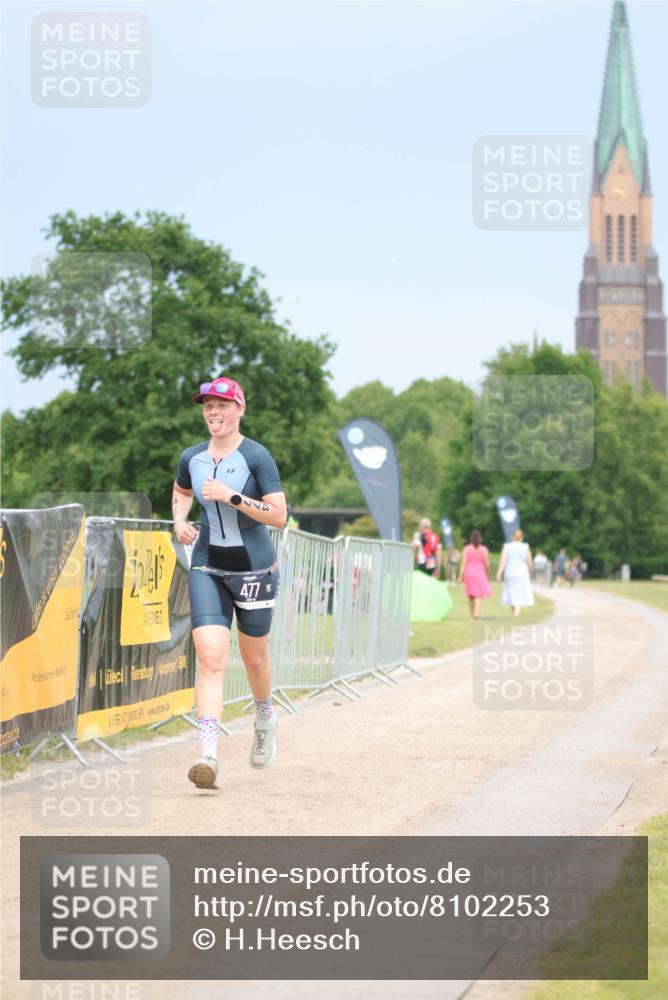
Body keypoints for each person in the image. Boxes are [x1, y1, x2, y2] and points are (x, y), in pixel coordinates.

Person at [172, 376, 288, 790]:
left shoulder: (258, 457)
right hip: (207, 565)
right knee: (210, 657)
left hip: (255, 568)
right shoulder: (192, 456)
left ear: (240, 409)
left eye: (221, 405)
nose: (213, 413)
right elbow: (182, 489)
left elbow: (279, 516)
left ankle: (263, 716)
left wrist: (231, 497)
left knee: (254, 659)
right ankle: (207, 754)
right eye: (207, 406)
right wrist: (180, 520)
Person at [496, 529, 534, 618]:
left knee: (511, 592)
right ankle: (517, 612)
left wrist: (499, 573)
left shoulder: (506, 547)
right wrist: (530, 570)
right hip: (522, 572)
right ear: (522, 537)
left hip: (510, 572)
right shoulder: (526, 547)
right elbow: (529, 561)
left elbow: (502, 562)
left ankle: (515, 612)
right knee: (520, 592)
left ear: (512, 537)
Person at [458, 530, 492, 619]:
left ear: (471, 539)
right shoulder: (484, 549)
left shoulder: (467, 549)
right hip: (480, 573)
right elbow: (487, 564)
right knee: (479, 595)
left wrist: (460, 576)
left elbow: (463, 563)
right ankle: (476, 613)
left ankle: (471, 613)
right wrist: (489, 575)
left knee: (471, 595)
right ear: (480, 539)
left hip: (469, 573)